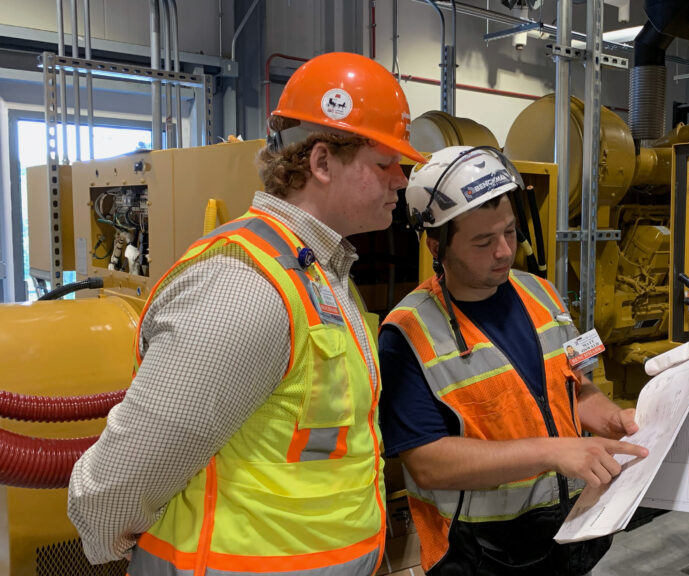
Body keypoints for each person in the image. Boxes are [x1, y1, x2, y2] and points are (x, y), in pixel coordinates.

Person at [68, 52, 426, 575]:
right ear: (322, 163)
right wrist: (117, 544)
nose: (401, 178)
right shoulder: (245, 285)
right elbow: (122, 478)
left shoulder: (320, 271)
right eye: (384, 163)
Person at [377, 146, 649, 575]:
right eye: (483, 241)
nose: (504, 251)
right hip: (480, 552)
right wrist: (552, 452)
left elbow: (581, 389)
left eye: (509, 231)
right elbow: (427, 464)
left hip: (570, 531)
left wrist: (612, 420)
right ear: (436, 243)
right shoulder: (406, 334)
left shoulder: (544, 294)